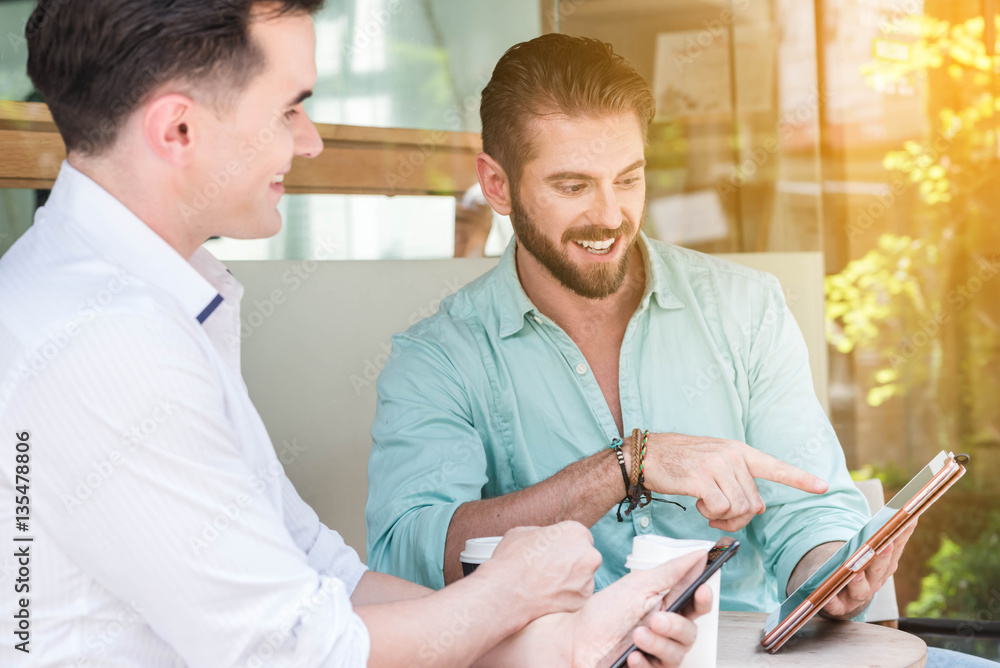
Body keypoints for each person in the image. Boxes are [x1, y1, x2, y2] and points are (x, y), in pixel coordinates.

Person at [0, 3, 712, 666]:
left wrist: (558, 639)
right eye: (290, 109)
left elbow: (321, 574)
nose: (308, 142)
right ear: (178, 130)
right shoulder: (105, 341)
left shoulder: (143, 304)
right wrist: (513, 589)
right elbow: (296, 650)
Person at [366, 33, 905, 622]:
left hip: (735, 658)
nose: (609, 216)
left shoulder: (747, 308)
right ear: (497, 185)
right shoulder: (438, 357)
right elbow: (408, 557)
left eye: (628, 179)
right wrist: (623, 467)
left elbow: (806, 509)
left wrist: (829, 575)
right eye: (572, 186)